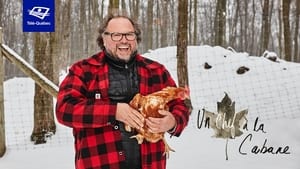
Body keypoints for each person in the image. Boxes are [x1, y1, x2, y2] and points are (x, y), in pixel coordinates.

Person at [55, 13, 190, 169]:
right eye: (116, 35)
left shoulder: (156, 71)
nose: (124, 40)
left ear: (136, 39)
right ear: (103, 39)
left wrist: (172, 121)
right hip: (100, 162)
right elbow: (64, 109)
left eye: (129, 35)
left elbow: (181, 106)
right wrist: (114, 111)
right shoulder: (84, 71)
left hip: (150, 163)